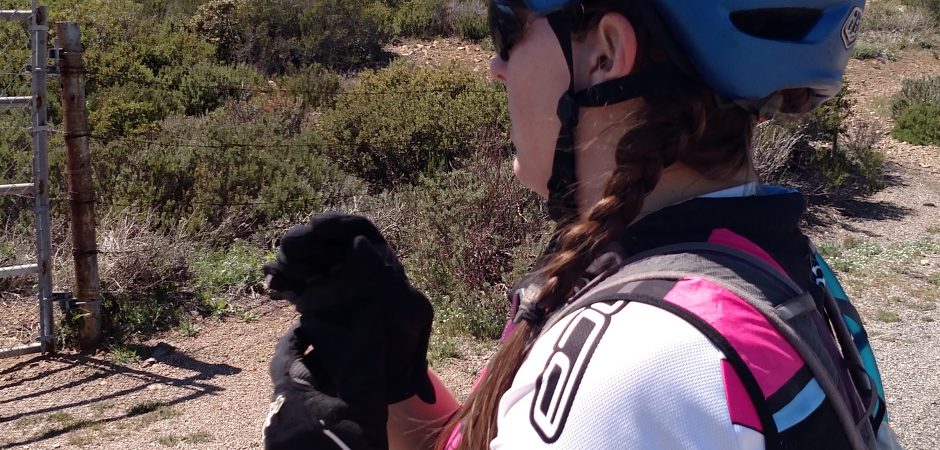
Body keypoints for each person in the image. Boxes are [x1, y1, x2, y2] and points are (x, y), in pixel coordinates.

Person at [261, 0, 902, 449]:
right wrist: (395, 380)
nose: (496, 66)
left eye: (506, 25)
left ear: (605, 54)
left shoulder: (638, 366)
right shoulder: (767, 269)